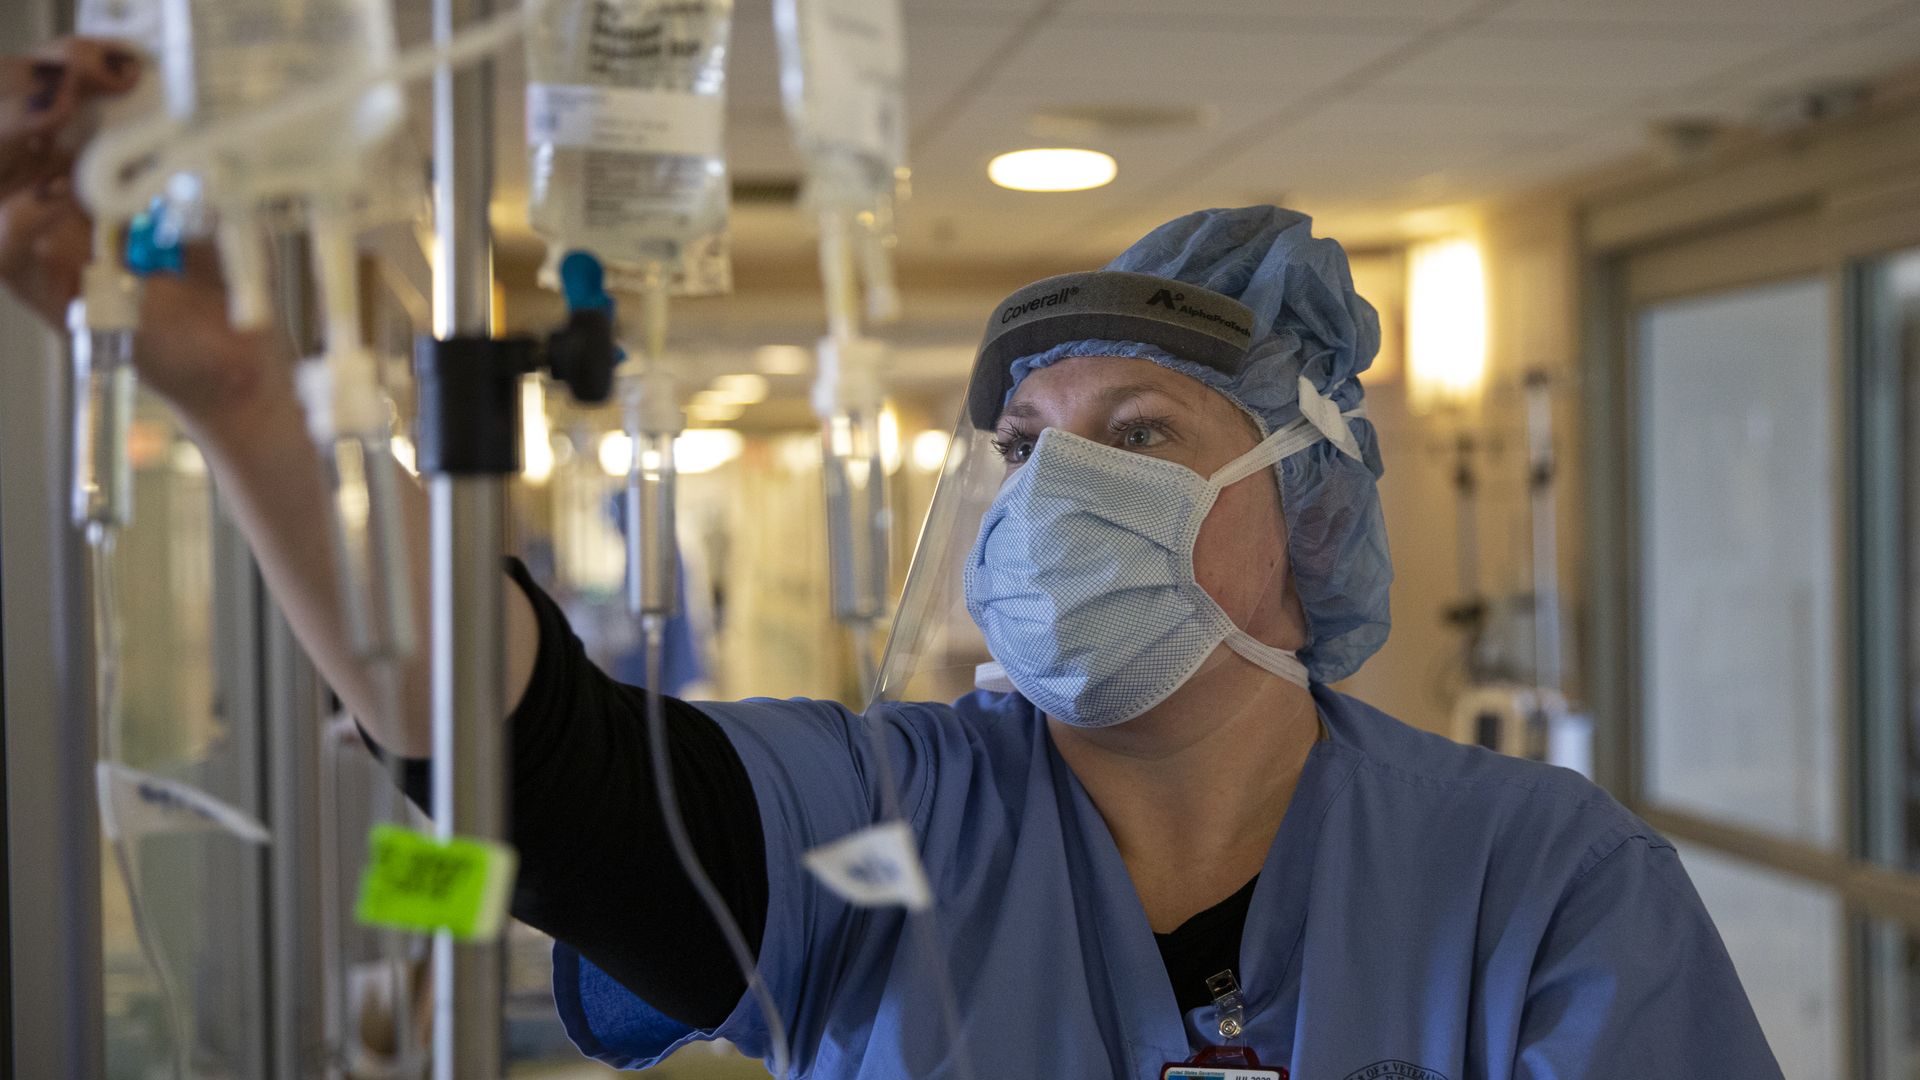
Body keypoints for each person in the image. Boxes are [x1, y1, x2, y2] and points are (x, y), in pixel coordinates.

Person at [4, 41, 1783, 1079]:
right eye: (1028, 444)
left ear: (1305, 505)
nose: (1060, 485)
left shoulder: (1539, 881)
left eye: (1140, 433)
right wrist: (255, 403)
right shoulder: (884, 822)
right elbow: (542, 765)